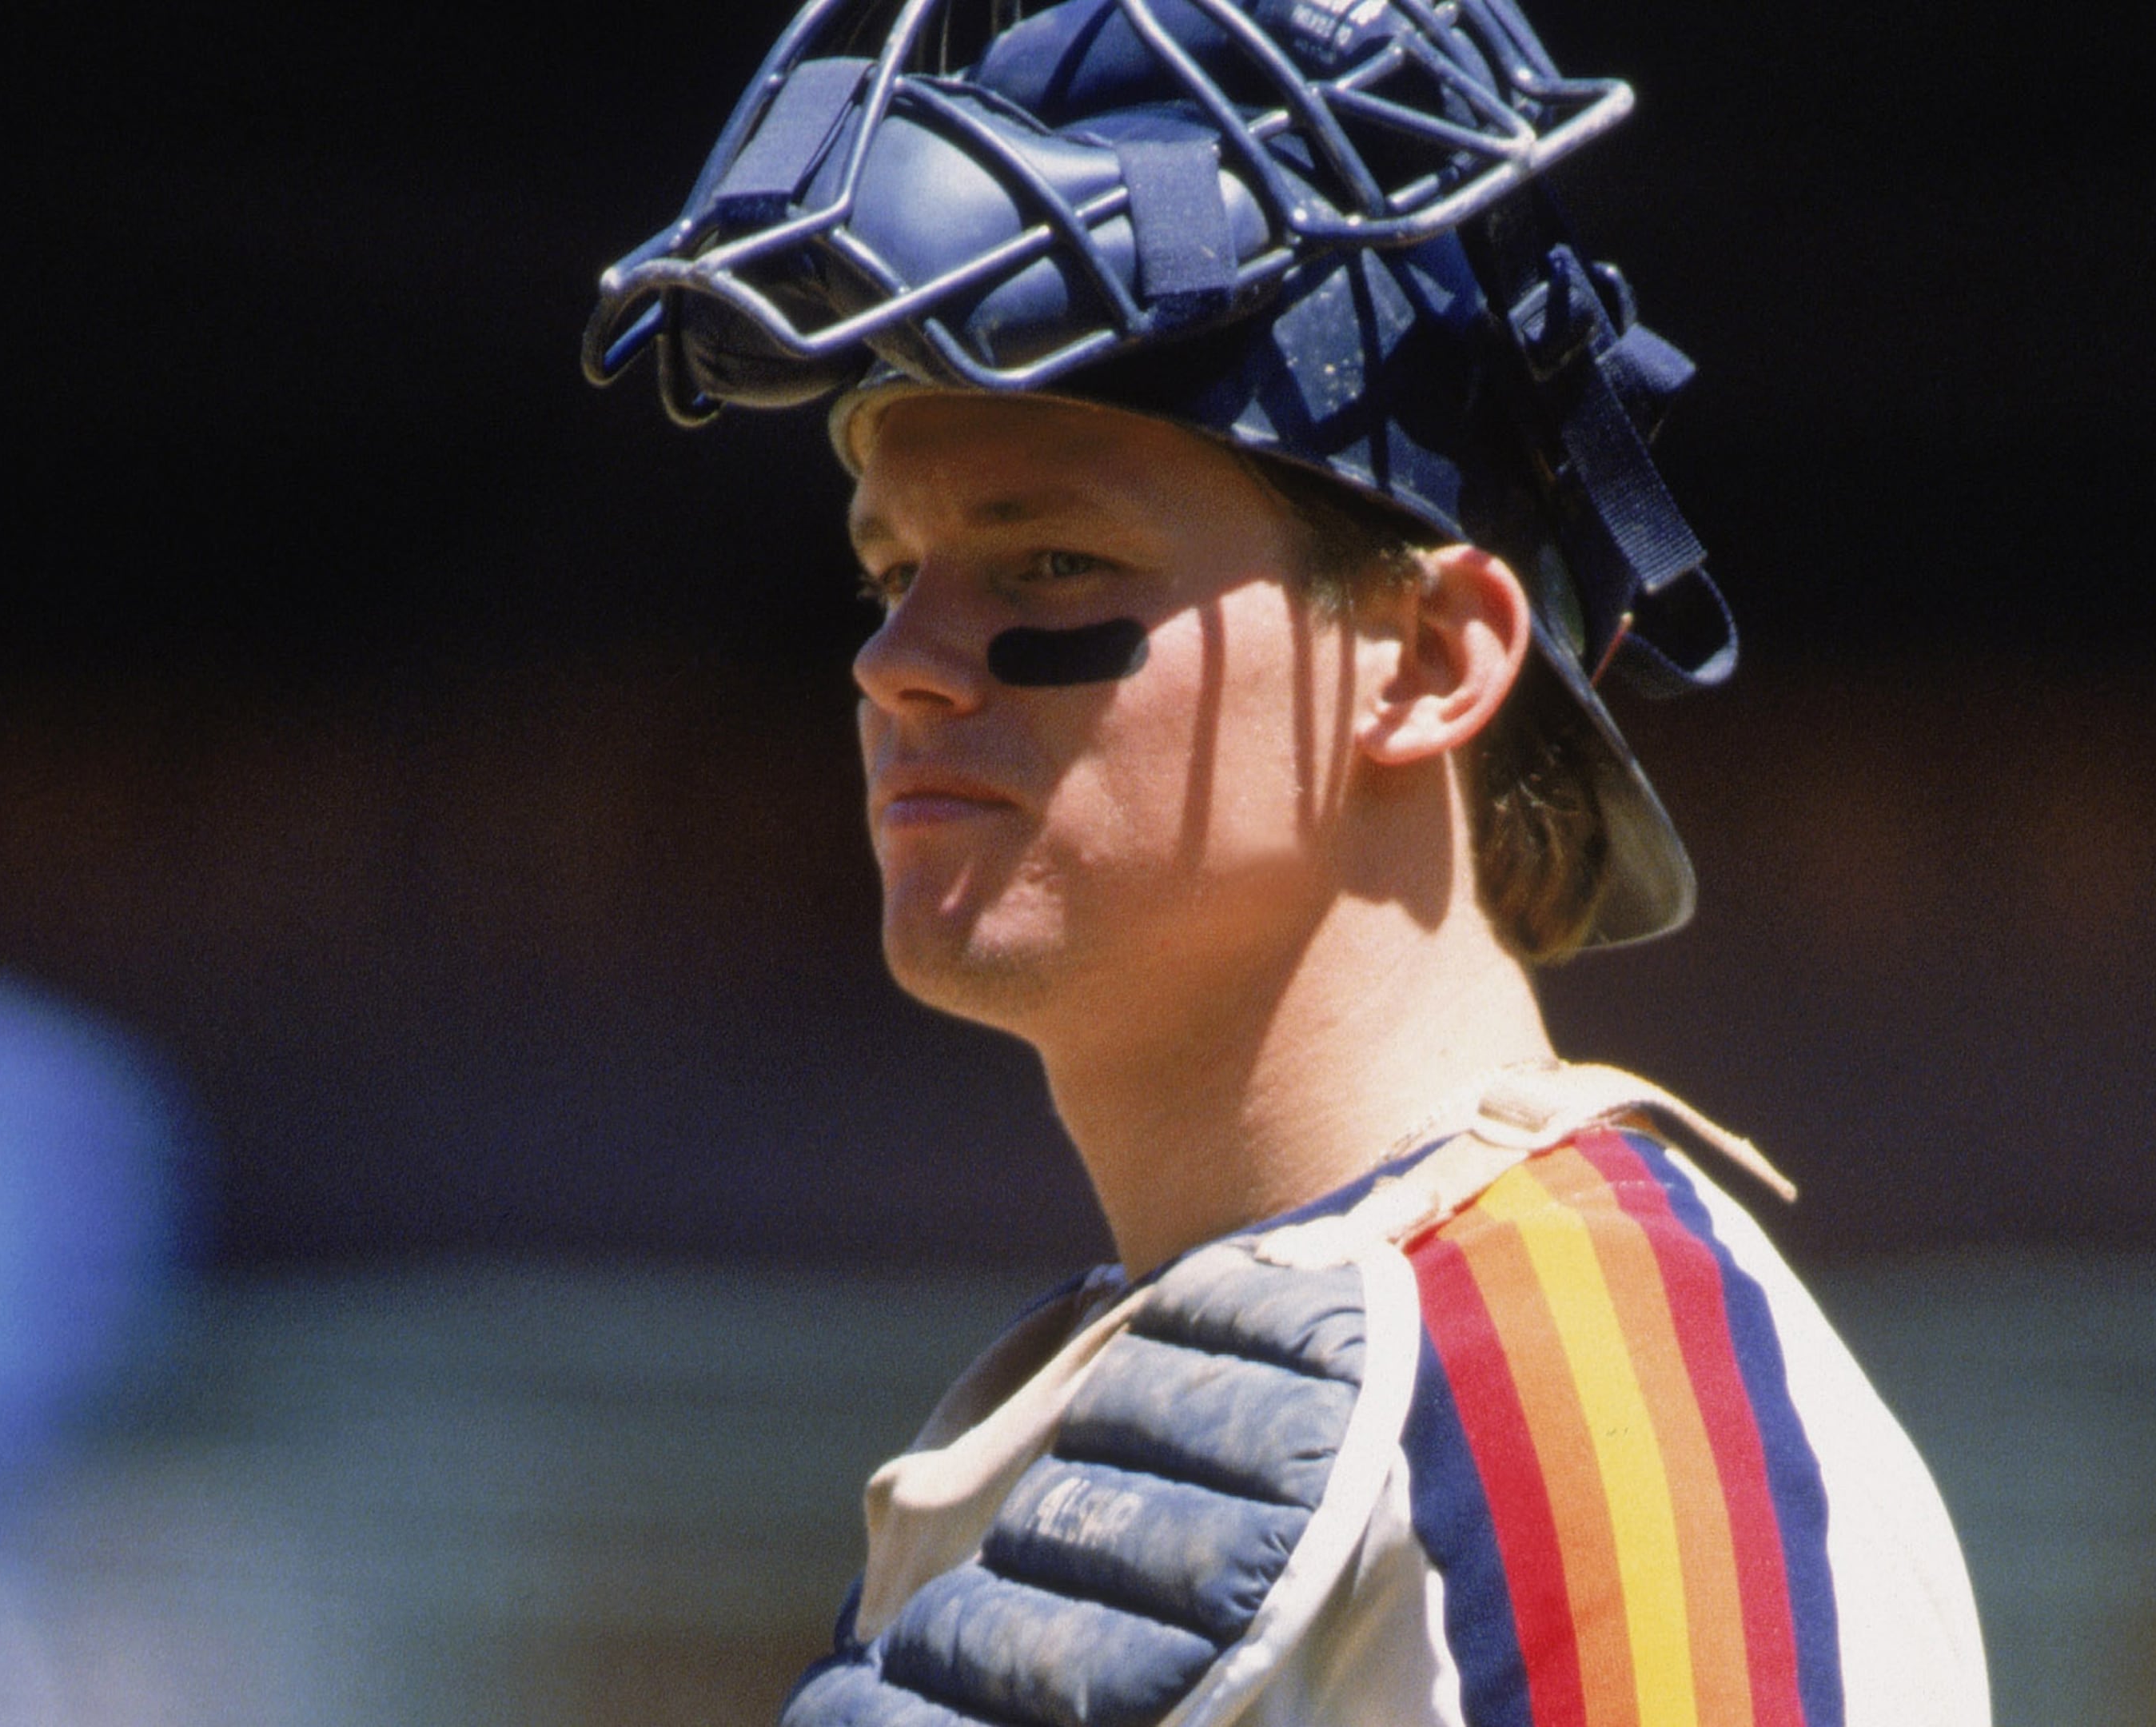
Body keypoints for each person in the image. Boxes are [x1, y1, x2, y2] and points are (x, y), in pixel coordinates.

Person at [584, 1, 1990, 1721]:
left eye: (1049, 565)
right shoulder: (1146, 1374)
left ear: (1425, 661)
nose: (901, 661)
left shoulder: (1586, 1374)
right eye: (892, 575)